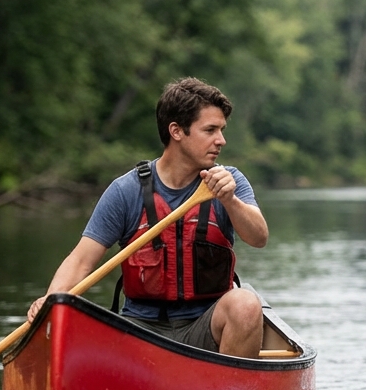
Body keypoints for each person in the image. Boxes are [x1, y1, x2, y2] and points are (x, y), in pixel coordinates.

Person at [27, 77, 269, 358]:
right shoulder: (126, 191)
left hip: (206, 329)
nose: (221, 140)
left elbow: (259, 237)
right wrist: (51, 300)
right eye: (210, 130)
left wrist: (229, 200)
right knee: (70, 315)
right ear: (176, 131)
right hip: (140, 330)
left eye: (222, 130)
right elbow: (81, 260)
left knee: (246, 304)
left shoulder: (229, 182)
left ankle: (226, 384)